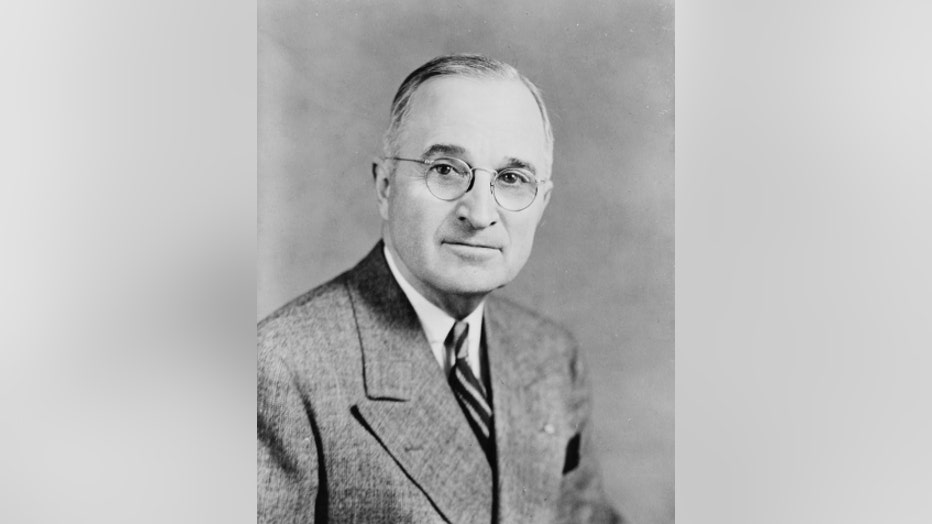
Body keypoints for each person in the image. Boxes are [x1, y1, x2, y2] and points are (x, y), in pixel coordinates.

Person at [258, 53, 622, 523]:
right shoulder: (280, 368)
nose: (480, 213)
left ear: (542, 205)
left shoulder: (550, 356)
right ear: (386, 186)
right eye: (446, 169)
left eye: (512, 179)